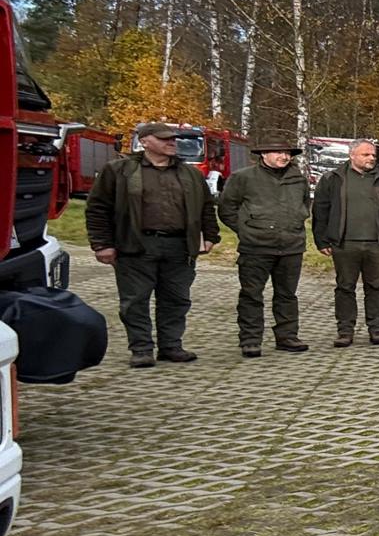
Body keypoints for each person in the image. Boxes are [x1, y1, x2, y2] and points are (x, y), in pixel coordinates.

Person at [87, 123, 220, 367]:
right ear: (145, 141)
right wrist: (102, 244)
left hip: (179, 246)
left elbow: (206, 207)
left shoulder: (190, 173)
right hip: (136, 244)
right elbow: (98, 209)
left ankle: (171, 346)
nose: (172, 142)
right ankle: (141, 348)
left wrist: (210, 236)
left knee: (177, 298)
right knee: (135, 299)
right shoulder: (120, 170)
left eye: (173, 139)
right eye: (164, 139)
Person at [216, 131, 310, 358]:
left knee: (287, 294)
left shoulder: (298, 179)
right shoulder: (243, 178)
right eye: (279, 152)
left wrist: (296, 222)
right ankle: (250, 340)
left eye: (287, 153)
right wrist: (246, 229)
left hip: (291, 246)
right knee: (251, 295)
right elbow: (227, 208)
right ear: (264, 154)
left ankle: (287, 336)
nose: (284, 156)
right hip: (256, 247)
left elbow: (305, 205)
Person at [312, 139, 379, 347]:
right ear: (352, 155)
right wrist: (322, 239)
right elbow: (320, 210)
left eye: (373, 155)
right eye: (366, 155)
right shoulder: (333, 179)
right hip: (344, 243)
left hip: (377, 244)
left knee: (375, 287)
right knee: (345, 287)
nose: (371, 158)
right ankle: (345, 331)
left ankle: (377, 329)